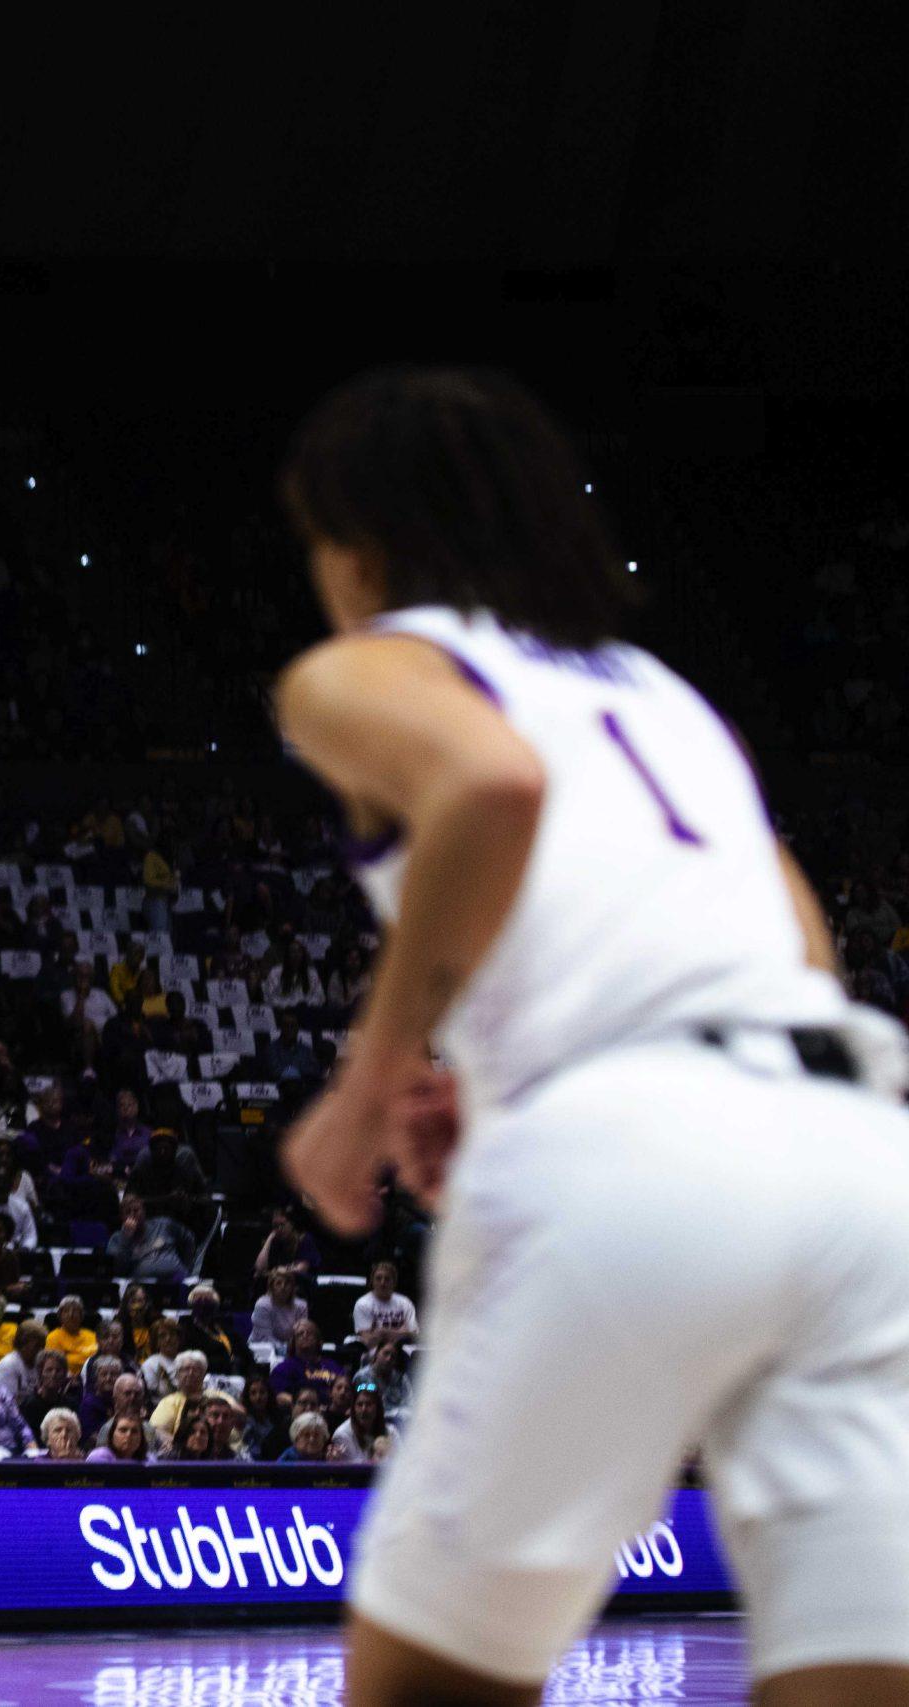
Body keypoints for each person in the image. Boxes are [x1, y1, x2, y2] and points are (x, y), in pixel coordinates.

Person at [275, 367, 909, 1705]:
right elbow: (797, 946)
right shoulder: (656, 692)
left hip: (634, 1160)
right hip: (858, 1154)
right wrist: (506, 1082)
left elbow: (490, 783)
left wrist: (369, 1080)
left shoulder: (368, 662)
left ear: (359, 547)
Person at [352, 1259, 420, 1348]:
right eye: (378, 1278)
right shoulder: (362, 1304)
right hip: (374, 1352)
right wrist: (400, 1332)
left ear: (394, 1282)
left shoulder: (405, 1302)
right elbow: (368, 1339)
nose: (382, 1283)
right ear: (372, 1281)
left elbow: (414, 1334)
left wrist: (383, 1332)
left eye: (387, 1279)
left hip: (402, 1349)